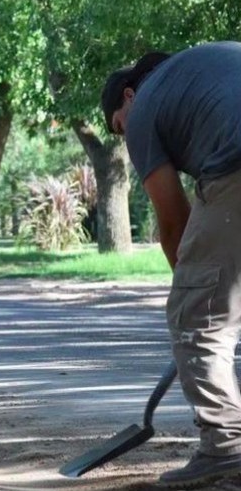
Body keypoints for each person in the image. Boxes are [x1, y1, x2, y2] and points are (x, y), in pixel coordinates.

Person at [102, 40, 241, 488]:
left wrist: (191, 295)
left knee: (197, 317)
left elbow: (173, 219)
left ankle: (226, 447)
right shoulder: (208, 63)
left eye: (117, 128)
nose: (125, 137)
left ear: (128, 96)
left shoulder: (144, 109)